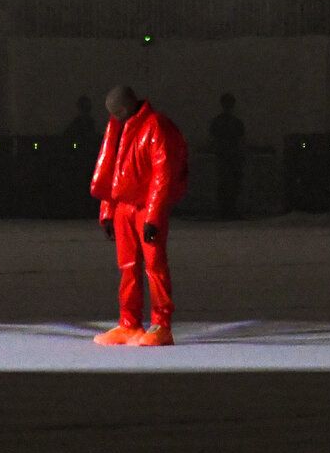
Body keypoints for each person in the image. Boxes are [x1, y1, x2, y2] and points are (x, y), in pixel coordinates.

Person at [89, 85, 188, 347]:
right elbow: (112, 170)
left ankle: (161, 325)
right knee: (128, 267)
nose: (115, 116)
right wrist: (108, 211)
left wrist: (153, 216)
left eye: (117, 111)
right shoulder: (118, 128)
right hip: (123, 206)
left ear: (125, 107)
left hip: (146, 206)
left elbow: (162, 173)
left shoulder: (155, 126)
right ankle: (129, 322)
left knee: (154, 266)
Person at [208, 92, 246, 220]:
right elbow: (241, 140)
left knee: (227, 183)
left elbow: (213, 139)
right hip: (229, 156)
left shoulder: (219, 122)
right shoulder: (235, 122)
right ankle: (228, 210)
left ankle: (226, 210)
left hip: (226, 156)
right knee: (229, 183)